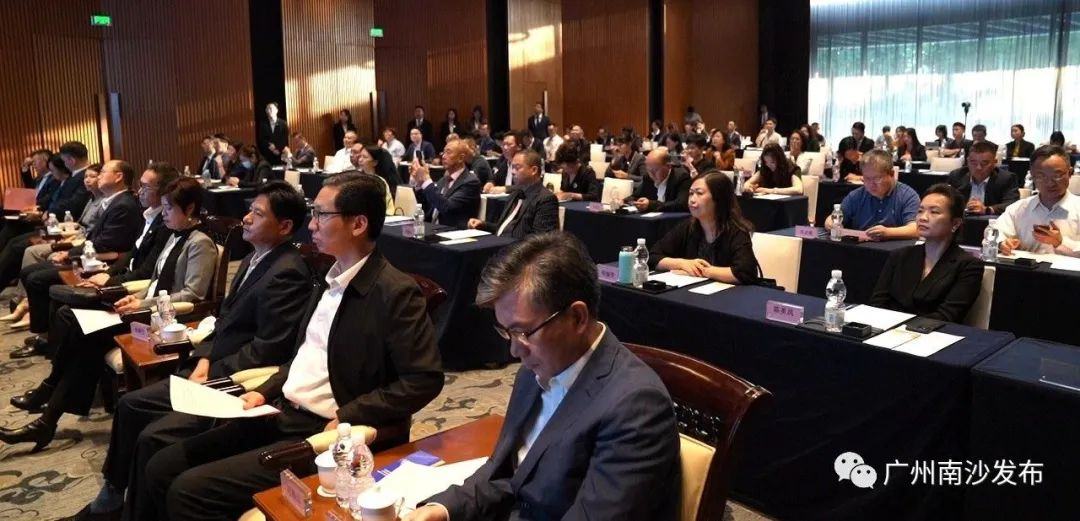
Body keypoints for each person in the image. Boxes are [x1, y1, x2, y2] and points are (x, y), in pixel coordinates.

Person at [142, 174, 444, 521]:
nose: (311, 225)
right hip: (279, 410)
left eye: (321, 215)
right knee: (163, 465)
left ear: (358, 224)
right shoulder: (329, 279)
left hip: (320, 431)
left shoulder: (394, 292)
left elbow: (423, 379)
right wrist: (266, 390)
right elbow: (304, 358)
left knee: (189, 491)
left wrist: (351, 413)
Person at [64, 181, 312, 521]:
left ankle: (122, 508)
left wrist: (213, 371)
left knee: (150, 434)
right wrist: (205, 357)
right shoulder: (255, 259)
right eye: (249, 210)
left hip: (236, 378)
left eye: (257, 213)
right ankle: (113, 496)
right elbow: (224, 322)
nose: (246, 218)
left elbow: (266, 349)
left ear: (284, 226)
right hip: (211, 364)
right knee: (131, 405)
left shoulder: (287, 272)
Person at [407, 232, 680, 521]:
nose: (514, 351)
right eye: (507, 331)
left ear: (577, 317)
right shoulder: (535, 370)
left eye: (523, 332)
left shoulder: (636, 407)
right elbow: (508, 473)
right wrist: (442, 510)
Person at [0, 178, 215, 450]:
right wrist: (135, 297)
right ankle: (47, 420)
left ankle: (48, 405)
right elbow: (155, 281)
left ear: (190, 208)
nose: (164, 214)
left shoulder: (200, 243)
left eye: (169, 208)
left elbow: (192, 294)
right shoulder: (173, 235)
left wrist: (143, 304)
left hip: (167, 321)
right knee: (83, 341)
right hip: (146, 310)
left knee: (80, 333)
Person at [13, 164, 179, 358]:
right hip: (118, 274)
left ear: (164, 191)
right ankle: (49, 345)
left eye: (145, 187)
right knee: (57, 297)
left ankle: (51, 349)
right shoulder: (149, 215)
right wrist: (107, 274)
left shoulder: (161, 223)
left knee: (59, 301)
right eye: (140, 185)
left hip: (129, 286)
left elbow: (145, 271)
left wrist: (109, 280)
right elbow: (131, 255)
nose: (139, 191)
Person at [869, 184, 984, 323]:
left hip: (932, 332)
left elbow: (948, 316)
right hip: (886, 327)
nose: (923, 218)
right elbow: (877, 303)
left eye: (934, 212)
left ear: (955, 223)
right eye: (920, 211)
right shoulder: (900, 255)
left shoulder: (968, 266)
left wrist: (901, 326)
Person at [648, 171, 759, 284]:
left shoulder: (736, 231)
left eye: (699, 193)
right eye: (691, 193)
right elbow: (652, 257)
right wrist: (682, 264)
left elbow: (745, 273)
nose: (692, 200)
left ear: (718, 198)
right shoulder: (687, 227)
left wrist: (702, 271)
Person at [996, 145, 1080, 256]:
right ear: (1032, 176)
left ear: (1070, 173)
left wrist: (1061, 242)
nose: (1050, 183)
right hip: (1025, 267)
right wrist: (1002, 243)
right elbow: (995, 232)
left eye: (1057, 175)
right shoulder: (1018, 209)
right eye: (1041, 176)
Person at [825, 149, 920, 241]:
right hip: (861, 248)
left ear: (891, 174)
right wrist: (831, 224)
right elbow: (833, 218)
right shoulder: (857, 195)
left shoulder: (908, 196)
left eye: (877, 178)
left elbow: (916, 229)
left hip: (895, 250)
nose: (871, 184)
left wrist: (888, 233)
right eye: (866, 178)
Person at [469, 150, 558, 238]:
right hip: (500, 242)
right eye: (512, 167)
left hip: (518, 246)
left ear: (534, 170)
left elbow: (540, 238)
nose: (512, 172)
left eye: (517, 168)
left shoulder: (545, 199)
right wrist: (483, 225)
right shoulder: (515, 194)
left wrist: (508, 244)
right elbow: (505, 228)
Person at [411, 139, 481, 228]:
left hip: (453, 231)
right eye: (443, 152)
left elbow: (447, 208)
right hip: (433, 228)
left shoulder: (470, 182)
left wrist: (426, 180)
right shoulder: (443, 180)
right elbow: (428, 207)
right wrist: (420, 183)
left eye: (448, 152)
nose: (443, 156)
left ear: (461, 158)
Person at [946, 141, 1019, 215]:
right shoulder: (957, 176)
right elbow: (946, 201)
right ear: (967, 161)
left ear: (994, 162)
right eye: (973, 163)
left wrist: (987, 210)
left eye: (984, 163)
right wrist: (963, 207)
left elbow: (1013, 204)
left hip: (992, 221)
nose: (978, 167)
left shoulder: (1006, 179)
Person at [630, 147, 692, 213]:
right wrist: (624, 201)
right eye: (649, 170)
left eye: (655, 170)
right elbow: (635, 196)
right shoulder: (648, 177)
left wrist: (651, 205)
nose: (652, 174)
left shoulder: (682, 177)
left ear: (668, 166)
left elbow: (681, 204)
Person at [347, 144, 397, 215]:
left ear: (375, 162)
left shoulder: (379, 181)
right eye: (360, 156)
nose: (360, 160)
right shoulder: (356, 177)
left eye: (365, 157)